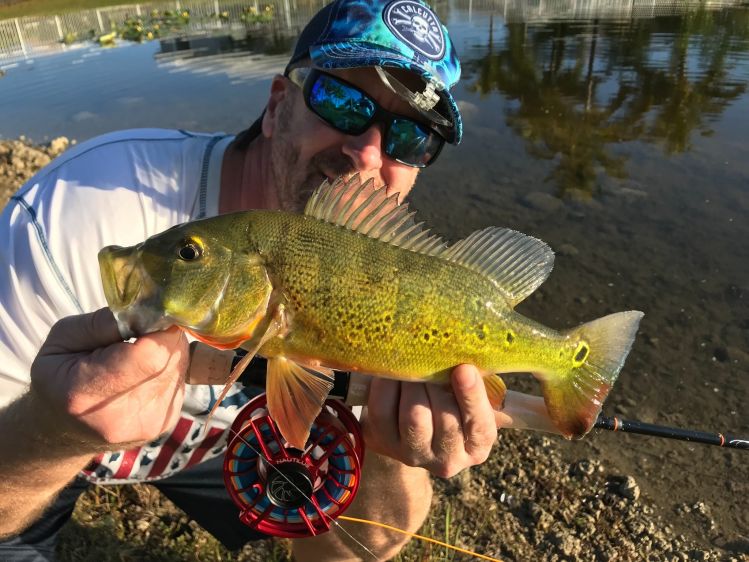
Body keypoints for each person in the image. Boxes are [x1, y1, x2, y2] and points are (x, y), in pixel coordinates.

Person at [0, 0, 508, 560]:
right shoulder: (77, 214)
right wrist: (53, 431)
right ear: (276, 108)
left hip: (226, 451)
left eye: (411, 138)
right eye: (340, 101)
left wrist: (389, 451)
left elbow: (351, 553)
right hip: (32, 438)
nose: (367, 154)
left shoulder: (393, 295)